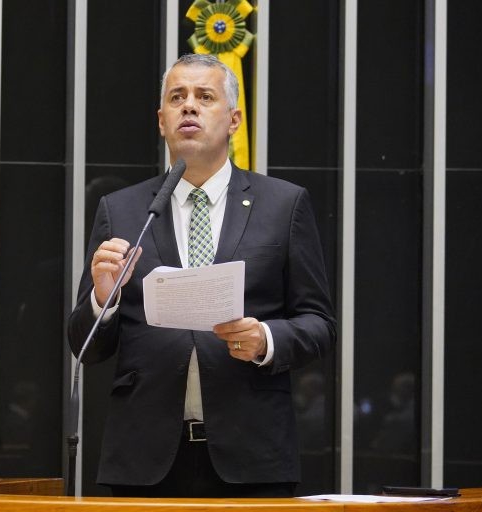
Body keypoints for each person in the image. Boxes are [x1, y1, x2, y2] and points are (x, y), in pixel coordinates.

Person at [68, 53, 336, 498]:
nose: (188, 106)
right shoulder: (123, 210)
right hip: (142, 459)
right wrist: (102, 300)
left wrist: (265, 340)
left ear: (233, 119)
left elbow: (319, 323)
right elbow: (85, 346)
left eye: (203, 96)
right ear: (161, 120)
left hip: (252, 455)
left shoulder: (283, 205)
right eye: (177, 97)